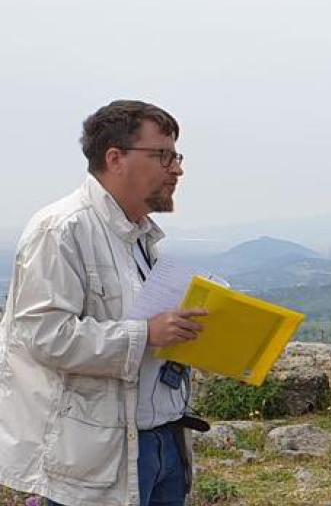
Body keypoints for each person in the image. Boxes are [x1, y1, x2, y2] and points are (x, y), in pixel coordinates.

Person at [0, 100, 202, 506]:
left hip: (164, 441)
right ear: (116, 158)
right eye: (163, 155)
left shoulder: (142, 237)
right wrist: (146, 333)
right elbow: (43, 336)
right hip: (95, 455)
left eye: (175, 156)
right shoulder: (61, 230)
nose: (177, 169)